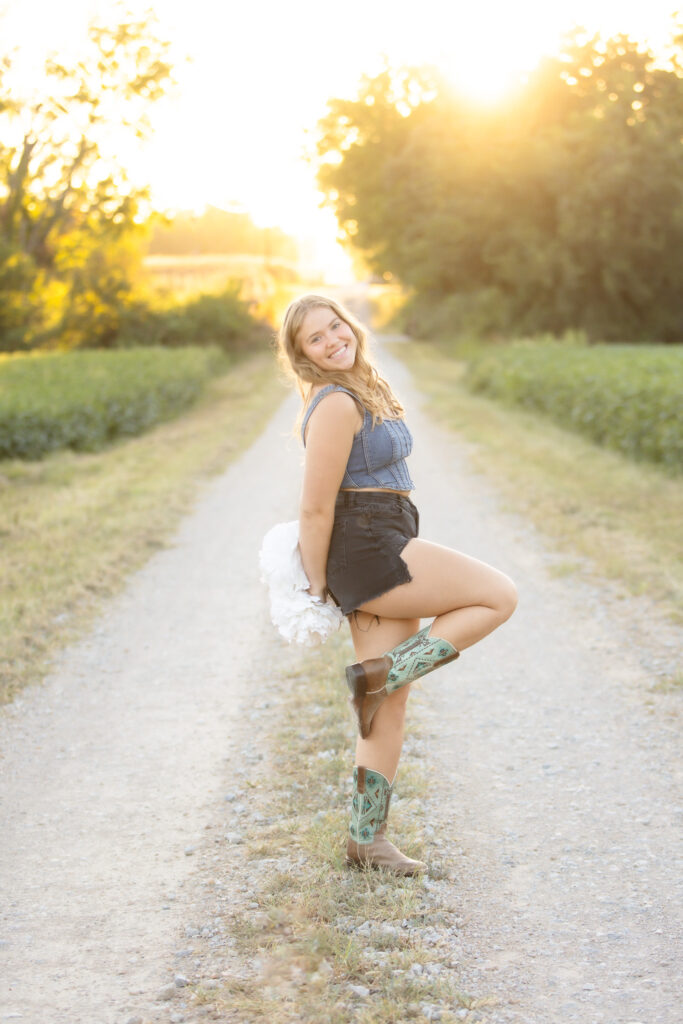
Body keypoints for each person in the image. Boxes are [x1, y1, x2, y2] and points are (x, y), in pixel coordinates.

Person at [276, 293, 517, 875]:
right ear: (302, 354)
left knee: (386, 711)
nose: (333, 339)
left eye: (335, 326)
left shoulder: (360, 385)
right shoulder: (334, 404)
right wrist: (316, 589)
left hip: (379, 536)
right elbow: (314, 509)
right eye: (316, 338)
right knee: (498, 595)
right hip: (370, 545)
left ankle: (366, 839)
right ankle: (377, 677)